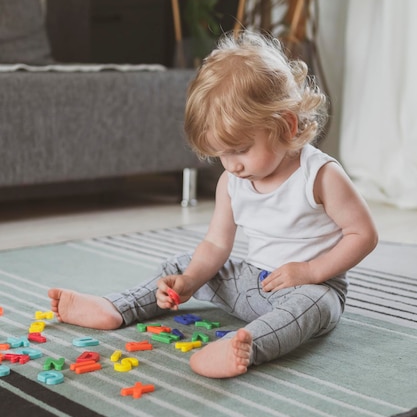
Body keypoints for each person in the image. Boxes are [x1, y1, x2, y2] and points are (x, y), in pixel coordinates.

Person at [48, 31, 378, 379]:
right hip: (253, 282)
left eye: (240, 150)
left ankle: (245, 345)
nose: (231, 164)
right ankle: (116, 307)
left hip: (311, 287)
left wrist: (310, 272)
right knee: (182, 266)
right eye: (221, 154)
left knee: (311, 308)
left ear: (285, 125)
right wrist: (189, 281)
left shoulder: (320, 175)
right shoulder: (232, 182)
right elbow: (217, 244)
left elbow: (363, 234)